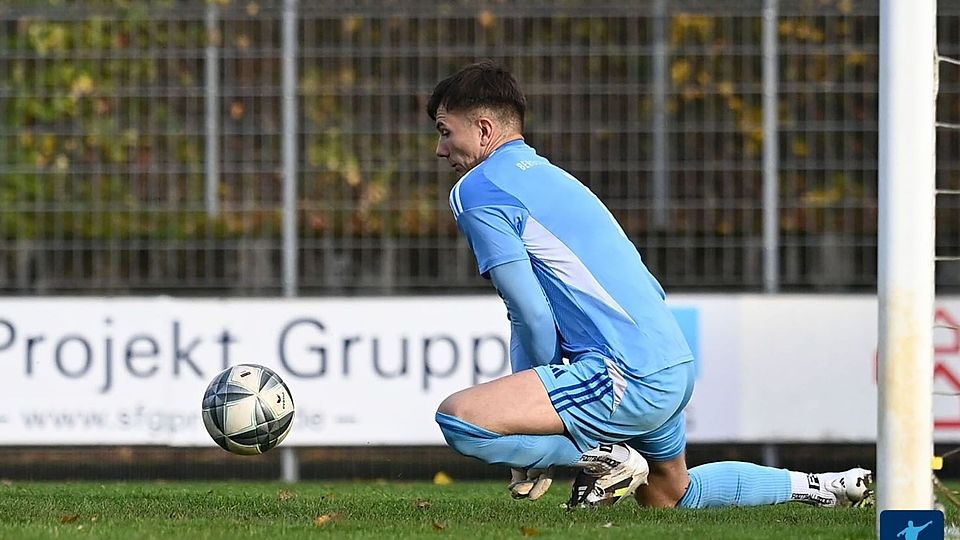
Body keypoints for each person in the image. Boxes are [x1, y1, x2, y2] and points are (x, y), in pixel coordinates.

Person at [428, 60, 872, 509]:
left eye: (446, 131)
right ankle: (823, 487)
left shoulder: (477, 189)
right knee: (670, 493)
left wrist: (532, 419)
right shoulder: (554, 178)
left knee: (462, 420)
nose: (440, 149)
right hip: (670, 362)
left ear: (484, 129)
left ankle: (606, 456)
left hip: (622, 373)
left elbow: (530, 313)